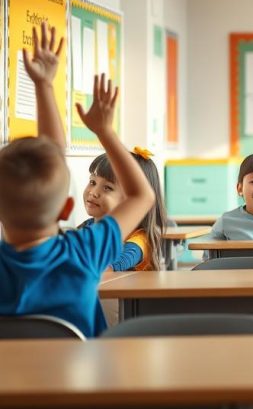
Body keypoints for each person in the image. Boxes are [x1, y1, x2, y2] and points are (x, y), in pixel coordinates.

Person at [0, 23, 154, 336]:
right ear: (67, 207)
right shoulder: (84, 251)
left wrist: (43, 87)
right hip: (82, 383)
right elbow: (142, 195)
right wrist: (105, 132)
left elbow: (52, 158)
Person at [78, 148, 169, 270]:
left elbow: (110, 267)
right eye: (93, 182)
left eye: (107, 188)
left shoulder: (139, 240)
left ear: (132, 199)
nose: (93, 193)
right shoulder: (85, 228)